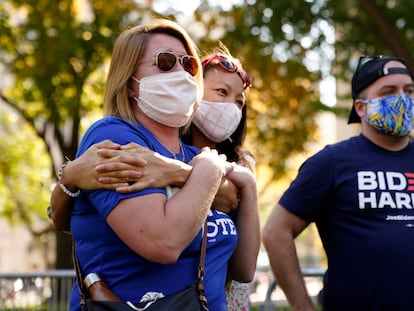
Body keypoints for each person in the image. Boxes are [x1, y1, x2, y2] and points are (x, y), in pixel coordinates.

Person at [51, 19, 259, 311]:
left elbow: (244, 270)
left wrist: (240, 181)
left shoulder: (194, 155)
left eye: (188, 65)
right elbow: (163, 242)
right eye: (165, 62)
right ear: (129, 83)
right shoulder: (113, 136)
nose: (181, 73)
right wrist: (209, 171)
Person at [262, 55, 414, 311]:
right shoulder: (331, 162)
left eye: (408, 91)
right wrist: (303, 307)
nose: (402, 98)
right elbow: (275, 233)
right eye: (389, 91)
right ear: (361, 107)